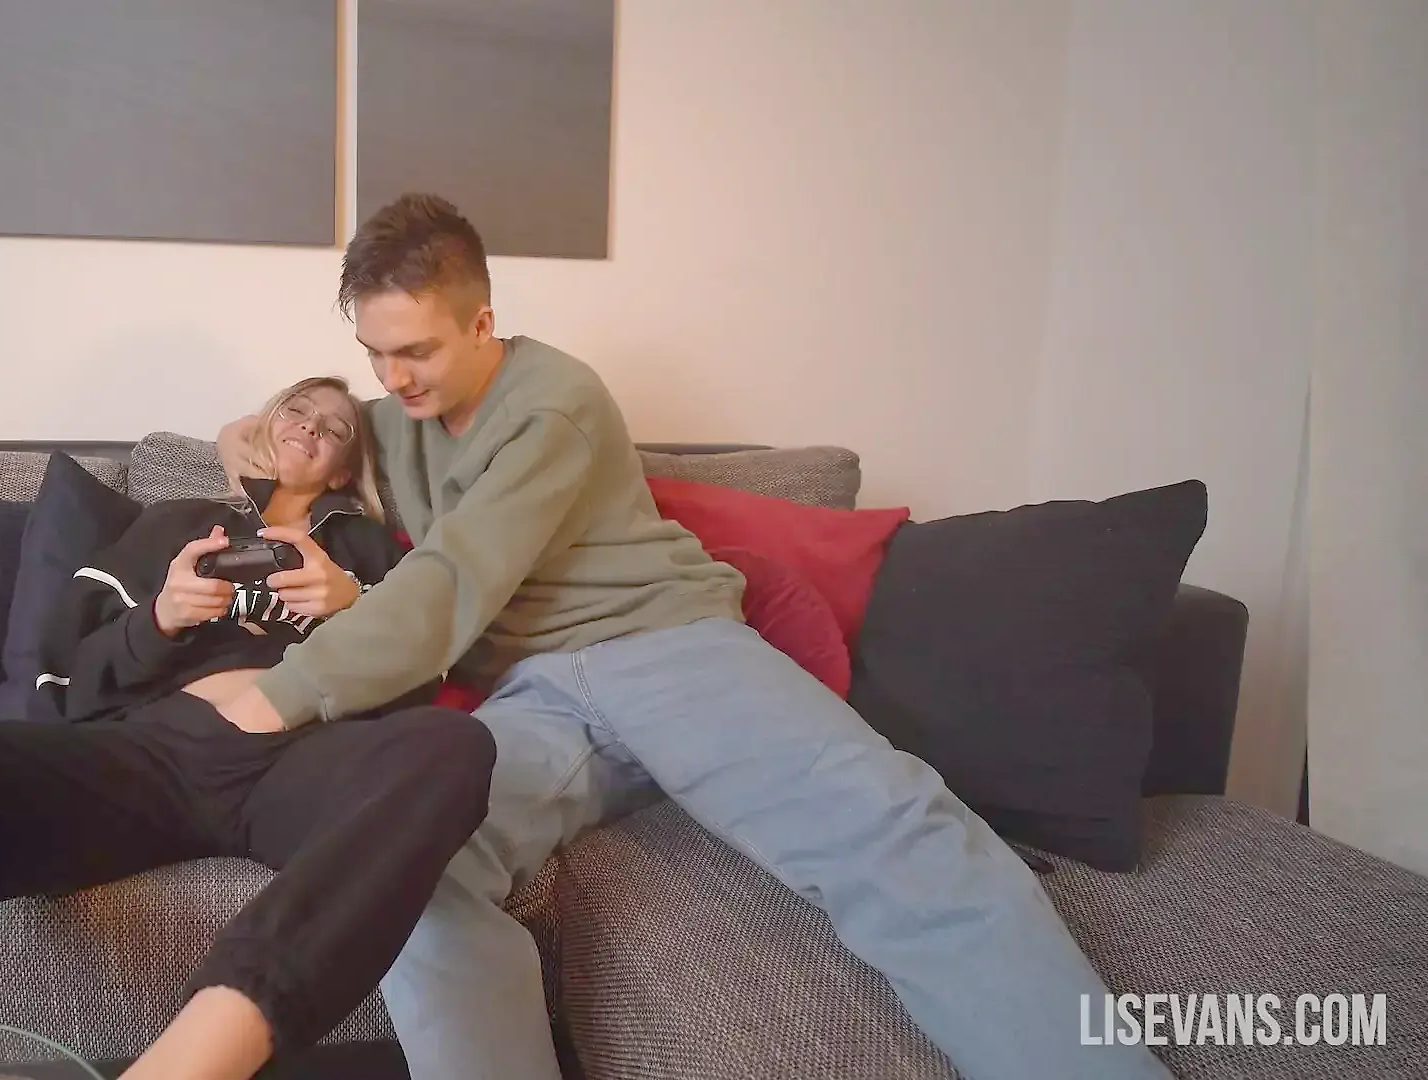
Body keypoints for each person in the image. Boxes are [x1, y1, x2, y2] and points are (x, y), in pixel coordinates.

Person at [212, 196, 1174, 1080]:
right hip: (539, 699)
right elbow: (250, 436)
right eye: (374, 353)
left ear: (481, 321)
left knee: (899, 832)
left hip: (669, 652)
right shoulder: (394, 421)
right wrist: (265, 460)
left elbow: (454, 580)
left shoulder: (555, 403)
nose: (393, 377)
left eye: (415, 351)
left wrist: (274, 700)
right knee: (399, 862)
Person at [0, 377, 496, 1080]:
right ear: (267, 422)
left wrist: (355, 605)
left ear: (343, 469)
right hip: (147, 754)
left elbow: (420, 693)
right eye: (299, 409)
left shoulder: (367, 550)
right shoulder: (178, 523)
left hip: (304, 758)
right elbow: (72, 677)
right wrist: (160, 618)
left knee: (455, 748)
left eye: (335, 428)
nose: (312, 427)